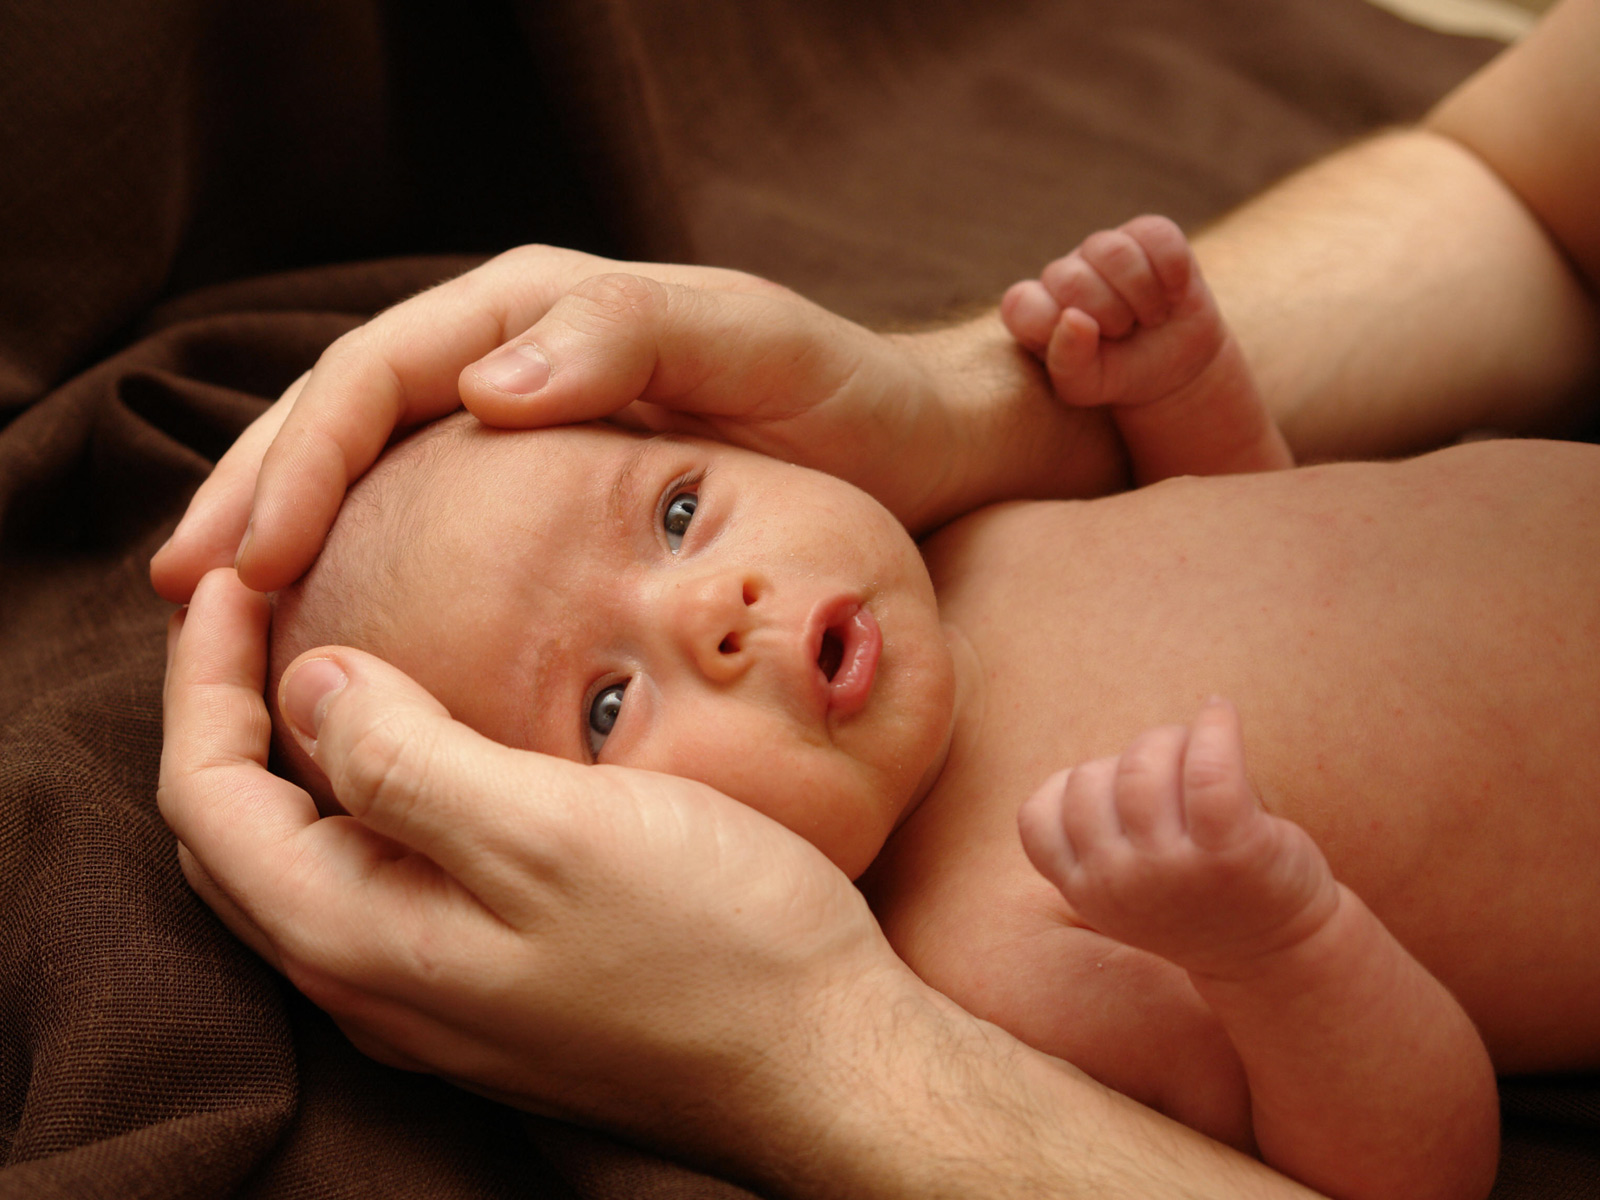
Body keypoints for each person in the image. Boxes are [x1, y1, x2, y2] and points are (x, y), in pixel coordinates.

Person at [155, 0, 1600, 1195]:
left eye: (674, 515)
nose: (711, 609)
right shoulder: (997, 955)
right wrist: (1278, 944)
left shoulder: (967, 535)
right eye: (604, 707)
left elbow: (1253, 530)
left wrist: (1176, 391)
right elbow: (1421, 1165)